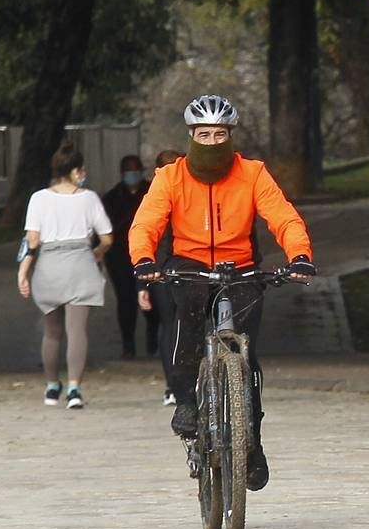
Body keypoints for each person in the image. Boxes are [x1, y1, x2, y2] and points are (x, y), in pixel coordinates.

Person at [129, 95, 316, 492]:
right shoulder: (171, 177)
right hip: (190, 263)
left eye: (219, 134)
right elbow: (146, 222)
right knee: (189, 320)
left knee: (246, 354)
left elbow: (283, 216)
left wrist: (299, 255)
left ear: (230, 135)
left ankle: (253, 442)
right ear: (191, 136)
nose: (212, 142)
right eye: (203, 134)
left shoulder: (252, 173)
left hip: (241, 265)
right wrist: (144, 259)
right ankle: (184, 400)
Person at [17, 141, 113, 410]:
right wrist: (98, 252)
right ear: (74, 171)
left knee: (52, 332)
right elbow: (107, 237)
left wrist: (23, 272)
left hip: (49, 266)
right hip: (81, 263)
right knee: (77, 331)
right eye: (80, 169)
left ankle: (50, 386)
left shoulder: (39, 198)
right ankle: (74, 388)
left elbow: (31, 240)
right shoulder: (89, 198)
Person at [137, 148, 183, 405]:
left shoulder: (190, 193)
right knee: (172, 326)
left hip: (168, 270)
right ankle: (175, 384)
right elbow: (143, 240)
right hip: (163, 271)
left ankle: (177, 384)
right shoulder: (154, 199)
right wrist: (142, 282)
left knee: (176, 326)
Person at [103, 154, 154, 359]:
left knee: (153, 301)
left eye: (136, 170)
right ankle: (128, 343)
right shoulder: (112, 198)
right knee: (126, 301)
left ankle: (152, 332)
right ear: (122, 173)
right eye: (128, 170)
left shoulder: (151, 192)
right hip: (120, 257)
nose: (132, 174)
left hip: (148, 254)